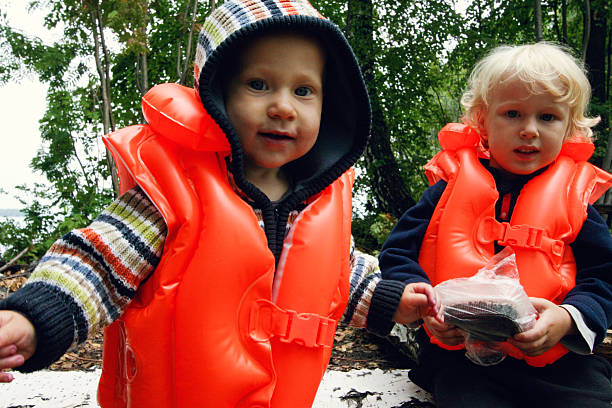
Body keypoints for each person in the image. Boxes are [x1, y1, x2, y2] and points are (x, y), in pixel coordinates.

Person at [0, 1, 441, 407]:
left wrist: (391, 298)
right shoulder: (172, 195)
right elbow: (98, 261)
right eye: (258, 84)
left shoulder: (314, 201)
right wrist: (35, 318)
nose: (283, 107)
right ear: (216, 96)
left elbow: (339, 277)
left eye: (304, 91)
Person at [369, 42, 612, 407]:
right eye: (512, 114)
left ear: (569, 128)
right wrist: (425, 307)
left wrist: (567, 318)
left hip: (558, 362)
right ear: (482, 121)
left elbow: (604, 275)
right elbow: (399, 253)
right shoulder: (447, 190)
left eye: (547, 117)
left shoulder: (574, 201)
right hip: (463, 358)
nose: (529, 130)